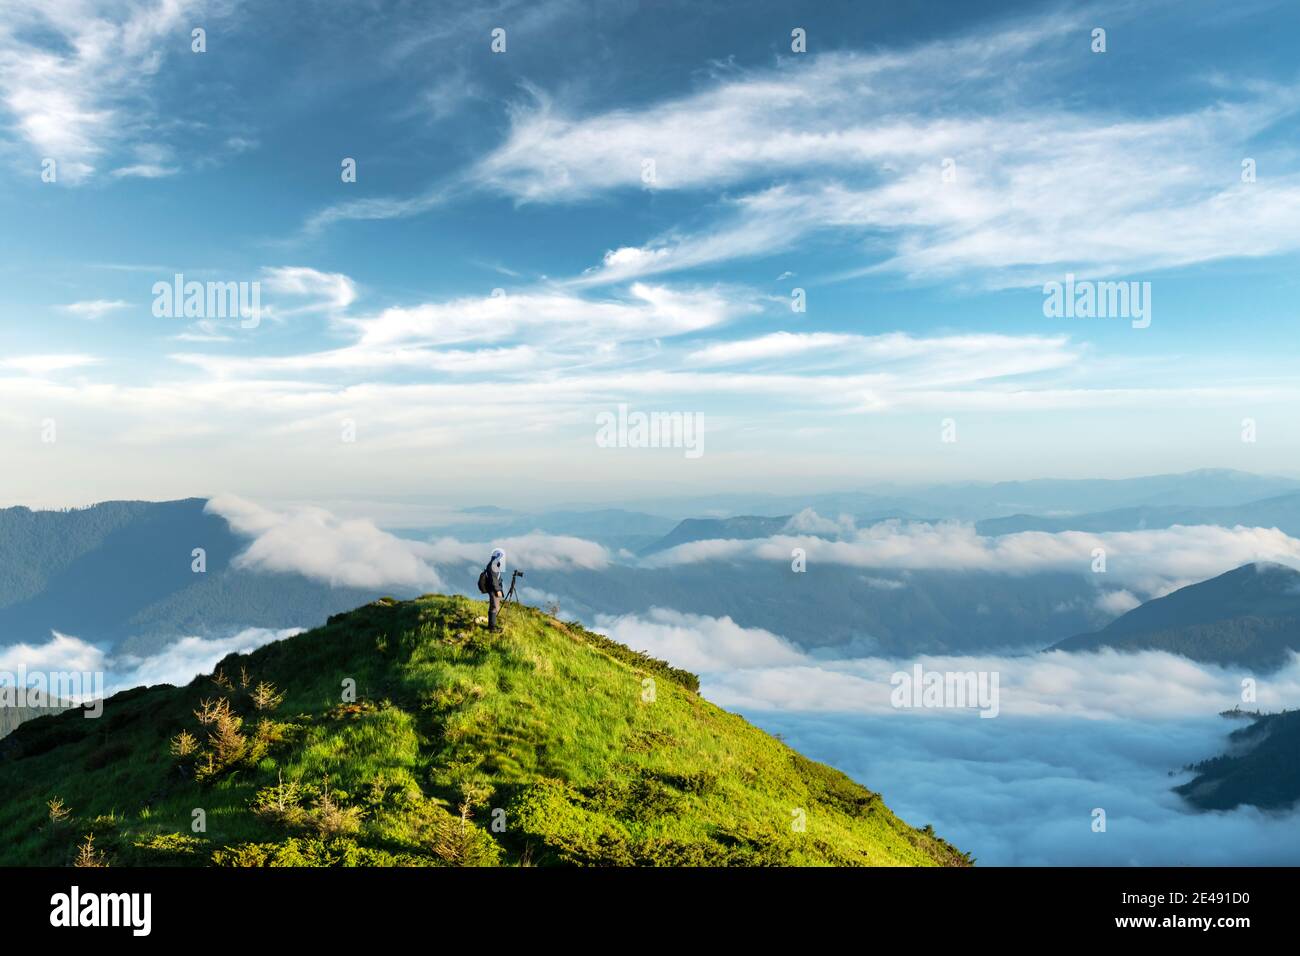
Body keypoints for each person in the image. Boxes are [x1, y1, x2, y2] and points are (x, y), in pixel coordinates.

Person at [483, 548, 505, 630]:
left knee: (493, 606)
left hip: (492, 588)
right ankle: (492, 627)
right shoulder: (493, 565)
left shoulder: (493, 564)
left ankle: (492, 625)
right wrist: (498, 590)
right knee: (495, 607)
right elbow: (494, 580)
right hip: (493, 589)